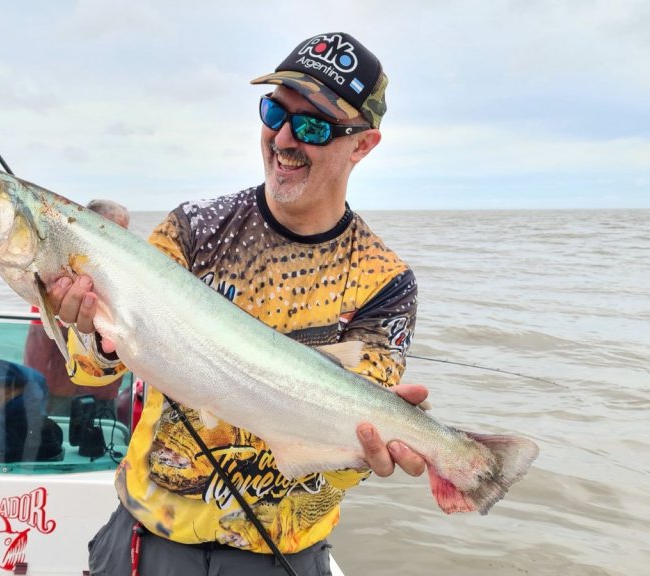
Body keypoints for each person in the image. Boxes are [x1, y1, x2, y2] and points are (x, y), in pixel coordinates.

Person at [49, 32, 428, 575]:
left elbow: (348, 461)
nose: (284, 137)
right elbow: (94, 367)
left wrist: (378, 449)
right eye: (275, 110)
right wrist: (82, 328)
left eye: (315, 125)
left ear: (362, 144)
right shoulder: (194, 229)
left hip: (279, 553)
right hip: (147, 536)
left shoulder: (383, 283)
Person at [23, 199, 131, 417]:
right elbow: (45, 332)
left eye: (125, 233)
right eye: (117, 231)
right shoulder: (62, 266)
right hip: (56, 382)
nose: (124, 241)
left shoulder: (118, 272)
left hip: (102, 385)